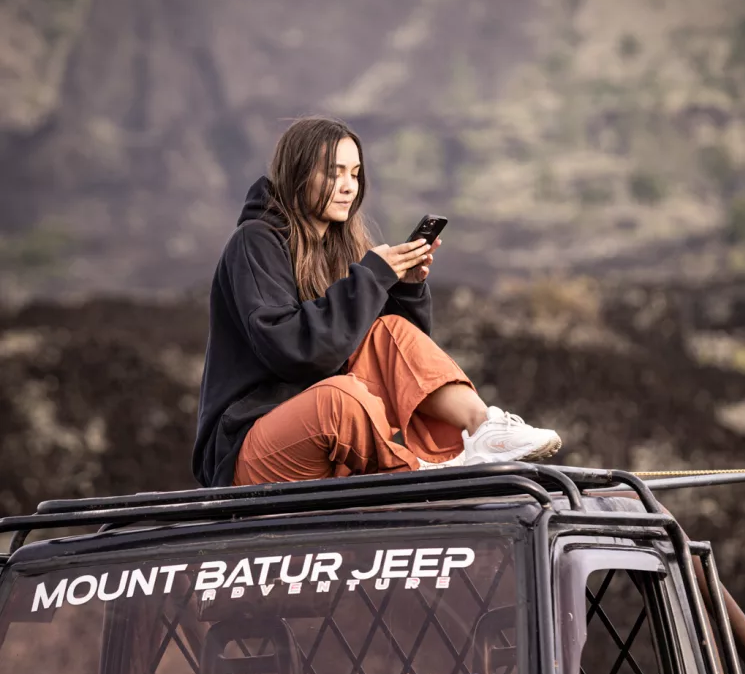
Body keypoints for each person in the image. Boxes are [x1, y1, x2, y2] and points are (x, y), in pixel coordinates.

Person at [192, 116, 562, 488]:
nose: (348, 187)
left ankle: (484, 429)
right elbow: (295, 351)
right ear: (298, 174)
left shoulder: (342, 248)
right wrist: (370, 278)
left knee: (389, 331)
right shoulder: (255, 242)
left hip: (330, 439)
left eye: (355, 174)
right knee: (342, 398)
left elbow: (398, 365)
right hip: (251, 451)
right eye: (334, 173)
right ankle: (414, 472)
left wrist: (406, 288)